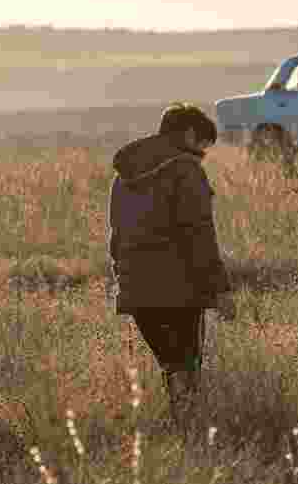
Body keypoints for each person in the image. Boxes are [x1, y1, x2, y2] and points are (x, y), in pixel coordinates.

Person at [107, 101, 234, 434]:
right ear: (190, 134)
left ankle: (182, 429)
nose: (203, 154)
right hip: (180, 287)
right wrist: (220, 288)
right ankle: (190, 433)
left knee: (170, 363)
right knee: (186, 365)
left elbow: (116, 237)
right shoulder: (185, 170)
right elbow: (200, 234)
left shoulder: (124, 177)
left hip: (136, 288)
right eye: (203, 145)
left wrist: (124, 279)